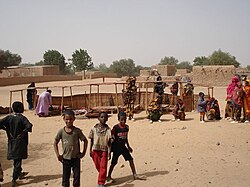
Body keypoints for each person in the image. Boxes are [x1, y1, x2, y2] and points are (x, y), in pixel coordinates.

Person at [0, 101, 32, 187]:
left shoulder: (8, 118)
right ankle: (14, 180)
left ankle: (20, 173)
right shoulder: (22, 118)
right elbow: (29, 126)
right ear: (19, 108)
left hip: (11, 143)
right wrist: (22, 133)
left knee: (16, 160)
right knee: (18, 161)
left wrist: (6, 129)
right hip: (20, 144)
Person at [107, 111, 144, 182]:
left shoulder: (127, 127)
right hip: (116, 148)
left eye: (124, 119)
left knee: (131, 159)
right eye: (121, 120)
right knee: (113, 163)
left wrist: (129, 146)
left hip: (123, 147)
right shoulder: (115, 128)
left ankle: (134, 174)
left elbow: (126, 137)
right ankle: (109, 176)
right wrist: (109, 151)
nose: (123, 121)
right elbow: (111, 139)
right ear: (118, 119)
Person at [54, 109, 88, 187]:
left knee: (76, 178)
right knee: (65, 178)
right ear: (63, 119)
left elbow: (85, 141)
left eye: (71, 119)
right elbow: (55, 142)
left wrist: (83, 153)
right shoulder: (61, 132)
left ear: (74, 119)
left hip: (76, 158)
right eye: (67, 119)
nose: (69, 121)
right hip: (65, 159)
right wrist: (58, 155)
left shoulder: (77, 131)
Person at [89, 112, 112, 187]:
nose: (103, 119)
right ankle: (103, 176)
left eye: (105, 117)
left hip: (104, 151)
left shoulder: (108, 130)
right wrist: (90, 150)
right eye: (102, 117)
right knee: (98, 166)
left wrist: (109, 152)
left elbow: (109, 142)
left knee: (103, 166)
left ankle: (101, 182)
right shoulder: (93, 129)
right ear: (98, 118)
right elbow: (91, 140)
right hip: (95, 150)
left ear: (107, 119)